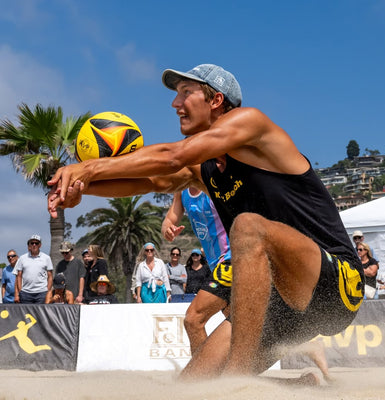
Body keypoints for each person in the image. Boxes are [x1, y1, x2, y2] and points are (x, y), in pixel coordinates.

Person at [47, 63, 364, 379]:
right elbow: (152, 181)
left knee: (248, 227)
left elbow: (174, 155)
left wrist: (88, 169)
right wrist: (81, 189)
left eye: (186, 93)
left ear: (216, 101)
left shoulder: (250, 124)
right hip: (282, 304)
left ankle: (236, 382)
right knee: (192, 386)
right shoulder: (205, 167)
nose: (175, 104)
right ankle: (301, 389)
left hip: (336, 282)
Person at [162, 188, 232, 353]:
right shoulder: (182, 190)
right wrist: (167, 228)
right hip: (216, 265)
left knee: (193, 319)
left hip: (232, 259)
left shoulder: (212, 183)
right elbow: (170, 217)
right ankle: (233, 374)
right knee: (238, 323)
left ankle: (202, 375)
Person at [14, 235, 53, 304]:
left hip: (42, 293)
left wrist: (48, 290)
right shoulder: (22, 258)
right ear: (29, 245)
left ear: (40, 245)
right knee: (25, 314)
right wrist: (20, 291)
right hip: (26, 293)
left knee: (40, 314)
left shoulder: (46, 258)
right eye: (32, 243)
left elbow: (50, 276)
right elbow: (19, 276)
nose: (34, 245)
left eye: (36, 243)